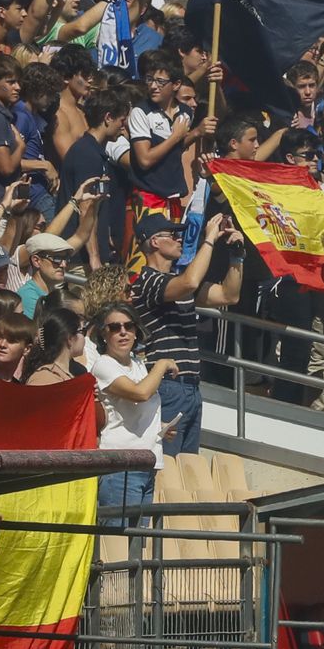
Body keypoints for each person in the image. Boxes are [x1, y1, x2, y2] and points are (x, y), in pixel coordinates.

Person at [132, 213, 242, 453]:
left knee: (186, 465)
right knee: (167, 465)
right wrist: (209, 239)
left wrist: (236, 255)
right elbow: (190, 282)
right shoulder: (147, 281)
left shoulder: (176, 282)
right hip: (167, 385)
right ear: (154, 242)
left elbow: (228, 295)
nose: (180, 239)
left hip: (191, 386)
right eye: (173, 235)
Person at [92, 301, 177, 524]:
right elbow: (140, 393)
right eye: (114, 327)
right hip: (119, 465)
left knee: (138, 545)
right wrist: (161, 364)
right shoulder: (104, 364)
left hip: (147, 463)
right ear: (103, 334)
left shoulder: (138, 364)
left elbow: (131, 410)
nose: (122, 332)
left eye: (128, 326)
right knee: (116, 544)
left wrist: (159, 428)